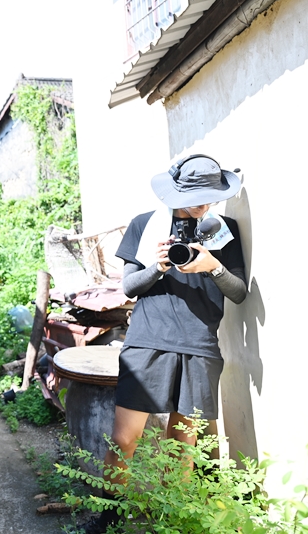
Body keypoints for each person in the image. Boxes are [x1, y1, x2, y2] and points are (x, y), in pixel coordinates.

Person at [93, 154, 248, 532]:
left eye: (210, 198)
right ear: (175, 192)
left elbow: (240, 292)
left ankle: (172, 520)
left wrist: (212, 265)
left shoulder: (222, 230)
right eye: (197, 198)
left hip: (200, 345)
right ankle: (109, 516)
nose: (204, 206)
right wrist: (157, 266)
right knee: (123, 439)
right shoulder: (146, 226)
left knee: (181, 447)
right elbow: (128, 287)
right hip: (147, 342)